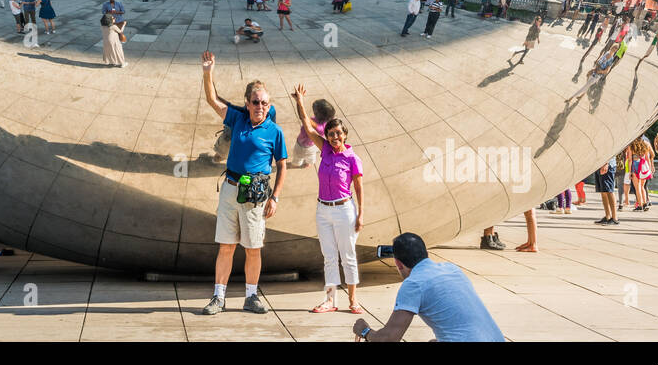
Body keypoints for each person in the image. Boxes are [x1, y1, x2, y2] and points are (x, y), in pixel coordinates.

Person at [198, 51, 288, 315]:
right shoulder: (238, 119)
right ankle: (218, 297)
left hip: (255, 196)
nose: (261, 107)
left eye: (265, 103)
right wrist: (207, 72)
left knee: (252, 248)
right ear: (247, 103)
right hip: (230, 189)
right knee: (226, 246)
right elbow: (212, 99)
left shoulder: (274, 130)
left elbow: (282, 165)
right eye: (256, 102)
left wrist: (275, 197)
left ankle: (251, 296)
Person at [353, 233, 504, 341]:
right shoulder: (452, 269)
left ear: (398, 263)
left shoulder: (414, 284)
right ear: (425, 253)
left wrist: (365, 331)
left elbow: (390, 337)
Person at [293, 84, 363, 314]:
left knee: (348, 255)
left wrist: (360, 214)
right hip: (323, 210)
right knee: (329, 256)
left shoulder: (352, 158)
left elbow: (359, 187)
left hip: (344, 210)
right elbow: (306, 124)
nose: (334, 137)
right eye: (331, 134)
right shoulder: (324, 150)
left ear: (345, 135)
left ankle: (353, 300)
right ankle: (330, 300)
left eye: (338, 134)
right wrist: (300, 101)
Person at [593, 153, 620, 225]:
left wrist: (606, 163)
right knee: (603, 191)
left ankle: (614, 218)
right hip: (599, 165)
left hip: (608, 165)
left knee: (609, 191)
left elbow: (611, 148)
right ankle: (608, 216)